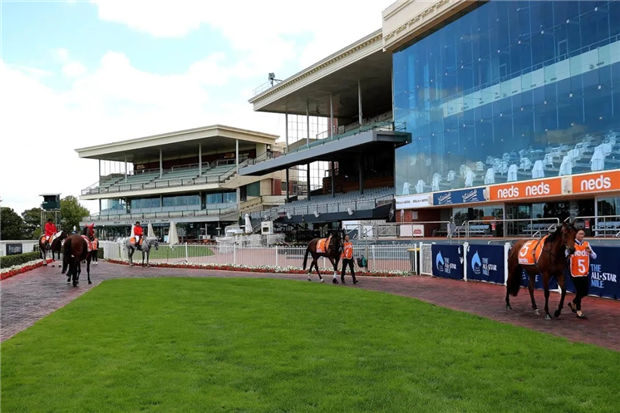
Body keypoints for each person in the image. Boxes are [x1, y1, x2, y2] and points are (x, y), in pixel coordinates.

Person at [567, 229, 597, 319]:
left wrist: (590, 252)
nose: (582, 235)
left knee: (585, 292)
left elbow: (595, 256)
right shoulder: (571, 244)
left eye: (583, 234)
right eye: (580, 234)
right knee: (579, 291)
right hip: (575, 271)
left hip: (584, 272)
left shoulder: (586, 244)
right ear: (575, 235)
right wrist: (569, 253)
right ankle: (579, 311)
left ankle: (573, 303)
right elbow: (565, 255)